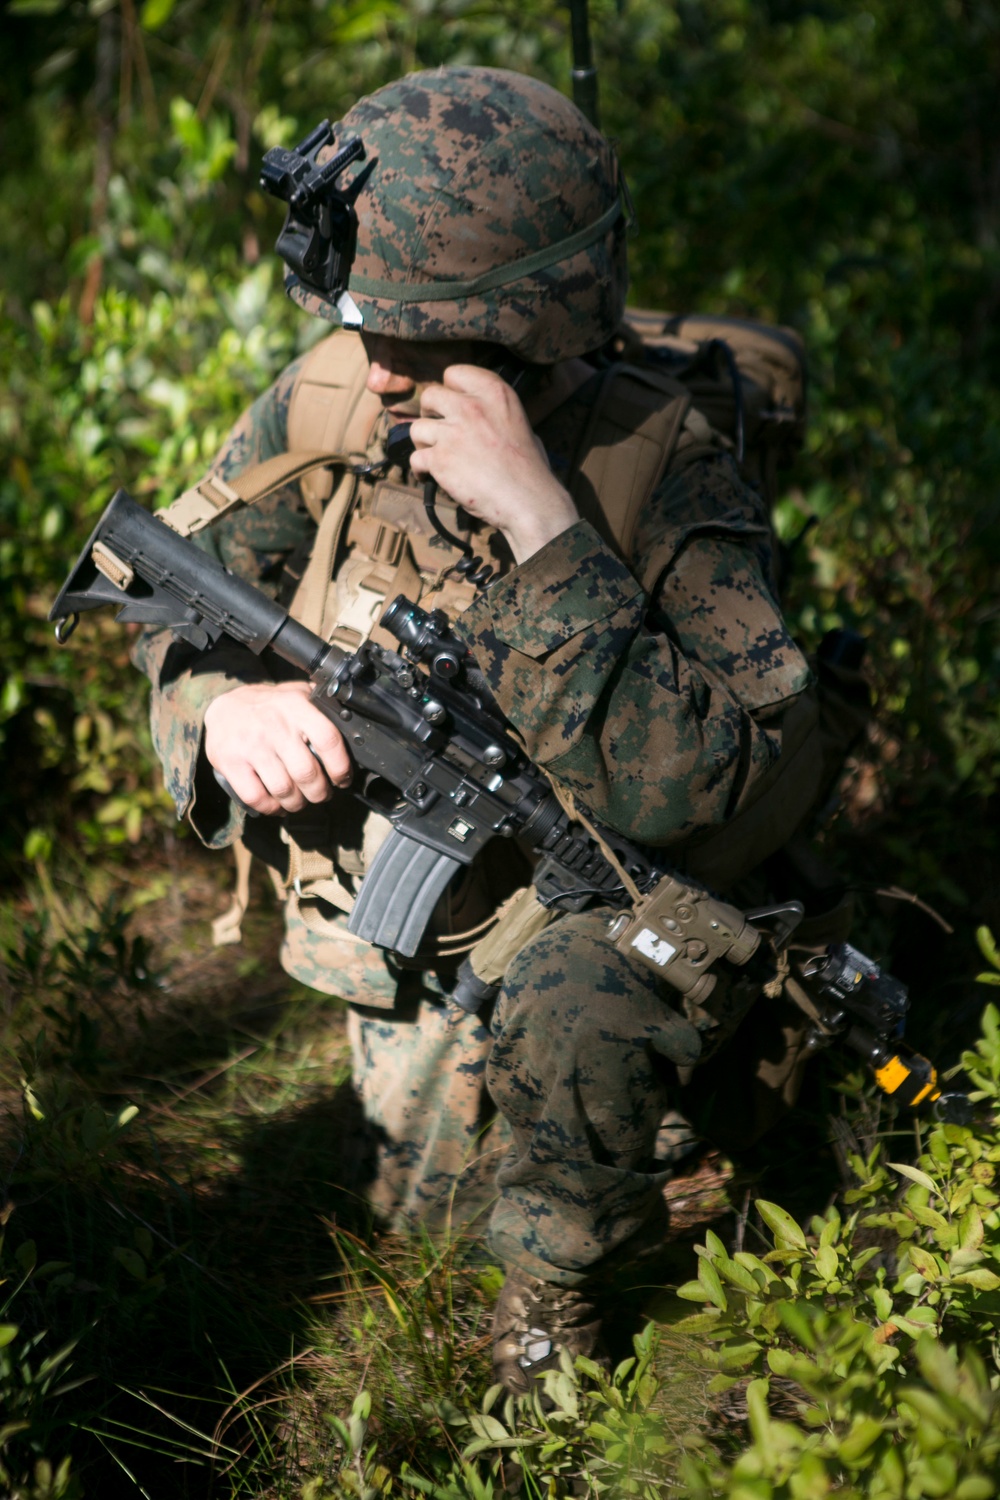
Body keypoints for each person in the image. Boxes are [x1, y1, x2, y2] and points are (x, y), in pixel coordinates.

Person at [133, 65, 816, 1393]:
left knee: (585, 1017)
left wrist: (543, 524)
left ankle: (564, 1301)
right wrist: (220, 717)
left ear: (529, 322)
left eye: (420, 337)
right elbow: (165, 603)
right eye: (363, 324)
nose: (381, 367)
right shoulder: (334, 399)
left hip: (592, 923)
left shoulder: (662, 466)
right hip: (417, 923)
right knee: (423, 1223)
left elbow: (708, 794)